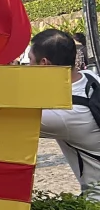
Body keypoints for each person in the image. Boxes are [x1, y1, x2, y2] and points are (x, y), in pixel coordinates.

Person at [30, 27, 100, 199]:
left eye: (30, 61)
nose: (27, 67)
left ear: (44, 63)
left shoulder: (65, 114)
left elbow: (7, 120)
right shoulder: (91, 79)